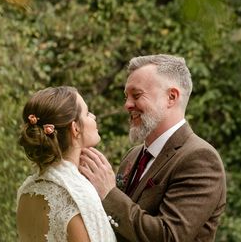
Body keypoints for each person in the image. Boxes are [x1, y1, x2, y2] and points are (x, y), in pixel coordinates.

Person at [79, 54, 226, 241]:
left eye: (136, 95)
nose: (127, 105)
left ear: (171, 97)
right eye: (126, 97)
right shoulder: (132, 156)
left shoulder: (200, 158)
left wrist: (109, 194)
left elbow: (168, 237)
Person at [17, 86, 116, 242]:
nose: (94, 117)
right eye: (87, 113)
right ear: (75, 128)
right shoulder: (77, 195)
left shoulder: (27, 190)